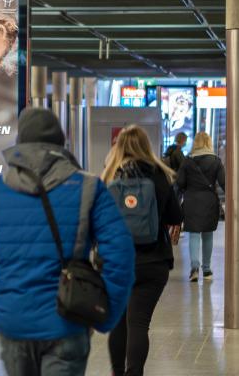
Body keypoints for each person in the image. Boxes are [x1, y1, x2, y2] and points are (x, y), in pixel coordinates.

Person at [0, 109, 136, 376]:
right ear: (62, 143)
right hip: (68, 320)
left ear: (19, 143)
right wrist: (106, 315)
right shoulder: (88, 188)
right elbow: (121, 255)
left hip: (13, 321)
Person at [102, 125, 183, 376]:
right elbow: (174, 215)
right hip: (153, 261)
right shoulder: (159, 174)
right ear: (147, 146)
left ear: (118, 146)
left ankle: (118, 372)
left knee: (119, 322)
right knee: (138, 322)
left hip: (117, 261)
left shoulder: (110, 174)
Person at [176, 131, 225, 282]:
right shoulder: (216, 161)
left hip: (191, 201)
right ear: (209, 143)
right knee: (208, 234)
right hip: (209, 201)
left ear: (195, 143)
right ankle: (207, 270)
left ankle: (194, 268)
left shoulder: (187, 161)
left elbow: (180, 182)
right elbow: (224, 183)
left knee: (194, 234)